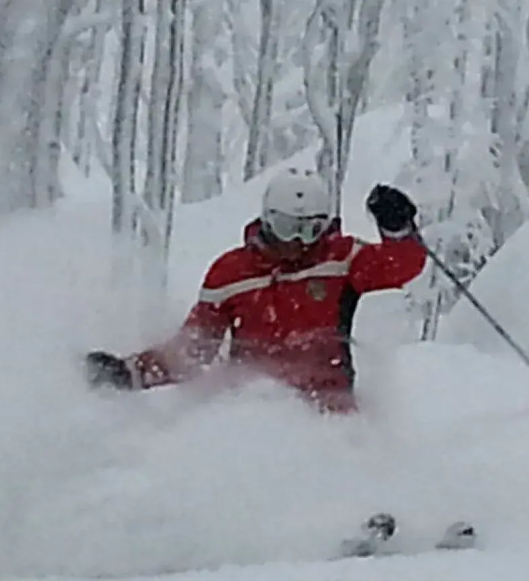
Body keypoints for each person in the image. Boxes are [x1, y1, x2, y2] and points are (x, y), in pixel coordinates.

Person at [87, 171, 426, 413]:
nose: (297, 242)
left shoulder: (342, 259)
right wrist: (130, 372)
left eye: (310, 230)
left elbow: (401, 266)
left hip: (330, 409)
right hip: (254, 408)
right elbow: (194, 349)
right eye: (286, 228)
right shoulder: (232, 273)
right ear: (266, 220)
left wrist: (398, 228)